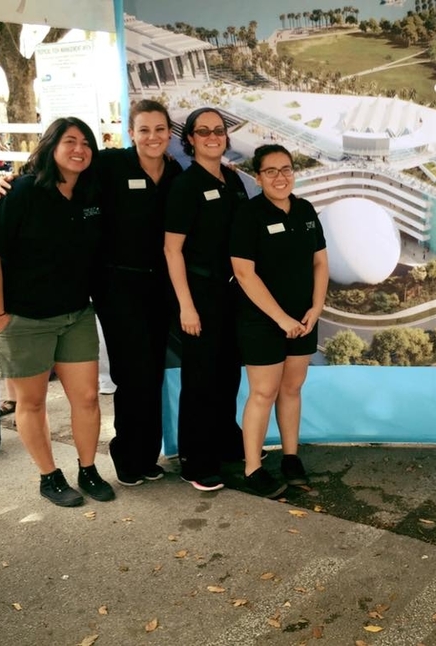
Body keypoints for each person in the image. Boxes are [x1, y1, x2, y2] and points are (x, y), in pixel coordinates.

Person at [0, 117, 115, 507]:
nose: (79, 149)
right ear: (51, 146)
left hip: (75, 314)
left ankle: (88, 469)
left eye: (86, 143)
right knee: (33, 403)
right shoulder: (22, 191)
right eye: (70, 141)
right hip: (24, 318)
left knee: (88, 397)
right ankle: (48, 475)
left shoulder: (92, 193)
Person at [231, 144, 328, 498]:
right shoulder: (248, 214)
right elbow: (243, 273)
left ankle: (290, 457)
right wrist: (281, 318)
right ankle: (252, 468)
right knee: (263, 392)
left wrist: (316, 307)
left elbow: (320, 262)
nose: (280, 177)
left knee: (291, 389)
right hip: (262, 321)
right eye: (270, 171)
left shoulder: (305, 210)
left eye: (285, 169)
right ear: (258, 178)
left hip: (303, 319)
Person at [94, 100, 183, 486]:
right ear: (131, 132)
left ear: (169, 133)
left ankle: (147, 457)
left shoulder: (176, 171)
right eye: (144, 130)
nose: (152, 137)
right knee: (131, 375)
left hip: (161, 287)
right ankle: (126, 456)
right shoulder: (111, 165)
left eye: (159, 130)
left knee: (152, 374)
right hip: (120, 288)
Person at [164, 107, 246, 492]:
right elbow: (172, 250)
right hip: (199, 294)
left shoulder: (233, 181)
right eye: (203, 131)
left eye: (218, 130)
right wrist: (186, 305)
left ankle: (226, 442)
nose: (212, 136)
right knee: (200, 380)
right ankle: (196, 461)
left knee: (228, 372)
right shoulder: (185, 185)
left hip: (233, 292)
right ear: (191, 139)